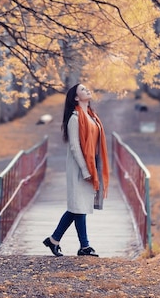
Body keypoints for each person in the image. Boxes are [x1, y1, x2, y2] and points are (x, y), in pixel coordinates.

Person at [43, 83, 110, 257]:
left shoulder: (91, 116)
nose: (87, 90)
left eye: (88, 88)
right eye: (83, 89)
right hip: (78, 167)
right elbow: (74, 146)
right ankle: (84, 246)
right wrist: (85, 170)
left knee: (79, 206)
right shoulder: (74, 118)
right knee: (78, 206)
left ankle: (55, 240)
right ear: (76, 97)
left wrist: (92, 167)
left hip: (90, 165)